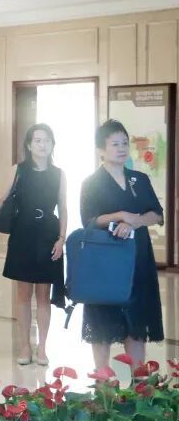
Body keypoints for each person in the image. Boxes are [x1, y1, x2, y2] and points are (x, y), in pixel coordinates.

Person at [79, 119, 164, 375]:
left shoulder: (139, 179)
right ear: (101, 150)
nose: (121, 148)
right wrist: (119, 216)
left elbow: (157, 213)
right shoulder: (92, 182)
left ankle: (139, 381)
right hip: (106, 261)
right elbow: (89, 220)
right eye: (115, 144)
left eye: (124, 143)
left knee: (136, 316)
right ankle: (103, 379)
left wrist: (135, 221)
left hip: (137, 257)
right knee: (103, 318)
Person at [0, 123, 66, 367]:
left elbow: (63, 207)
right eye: (37, 140)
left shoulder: (59, 173)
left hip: (48, 233)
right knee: (23, 293)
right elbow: (3, 198)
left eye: (47, 140)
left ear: (53, 144)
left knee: (44, 294)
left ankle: (42, 347)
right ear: (29, 145)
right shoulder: (18, 169)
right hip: (23, 233)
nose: (42, 145)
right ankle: (24, 345)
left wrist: (62, 238)